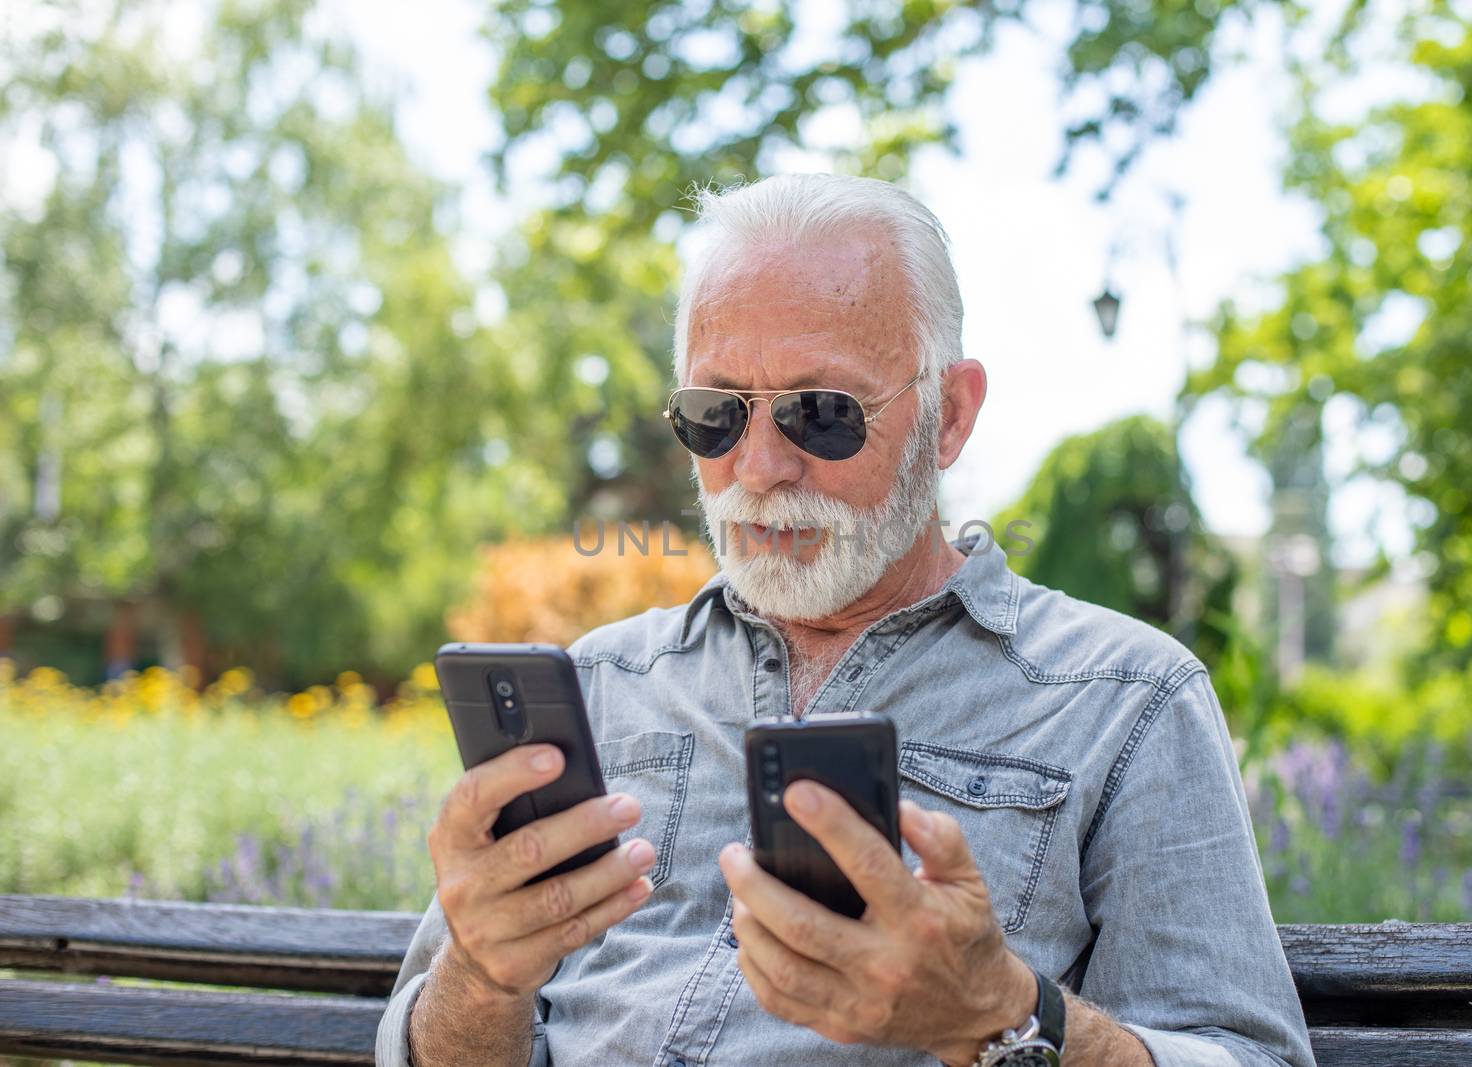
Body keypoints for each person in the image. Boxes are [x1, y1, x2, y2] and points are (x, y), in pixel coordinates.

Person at [376, 174, 1316, 1067]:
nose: (757, 468)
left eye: (819, 413)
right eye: (715, 414)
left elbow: (1249, 1052)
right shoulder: (597, 684)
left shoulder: (1127, 700)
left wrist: (1003, 1019)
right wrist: (482, 972)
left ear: (948, 415)